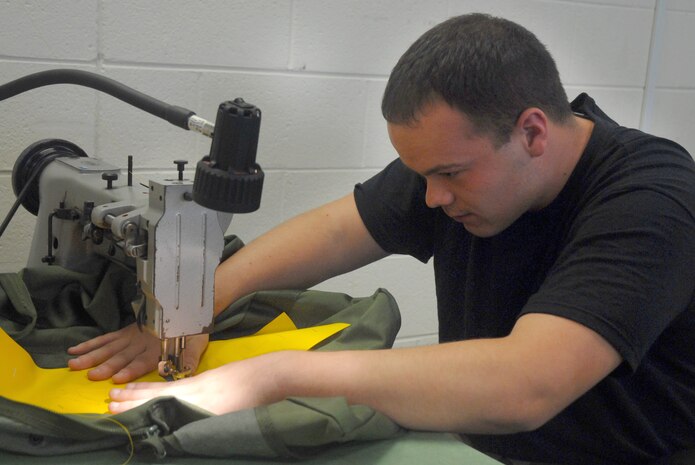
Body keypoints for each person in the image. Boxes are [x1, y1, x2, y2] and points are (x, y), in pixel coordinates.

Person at [66, 13, 695, 465]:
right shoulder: (450, 166)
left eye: (448, 175)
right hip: (474, 443)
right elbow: (339, 229)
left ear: (532, 132)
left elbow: (526, 384)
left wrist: (273, 376)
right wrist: (195, 309)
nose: (431, 199)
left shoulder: (653, 197)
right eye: (422, 175)